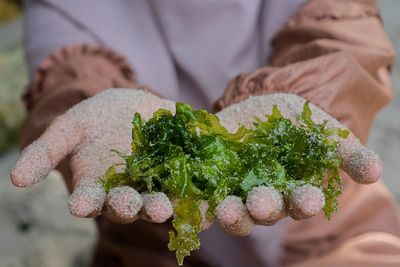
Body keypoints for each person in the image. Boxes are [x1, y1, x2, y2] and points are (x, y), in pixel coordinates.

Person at [10, 0, 400, 266]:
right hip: (150, 237)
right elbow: (75, 69)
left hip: (329, 225)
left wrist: (298, 107)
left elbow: (340, 36)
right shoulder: (62, 9)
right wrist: (93, 99)